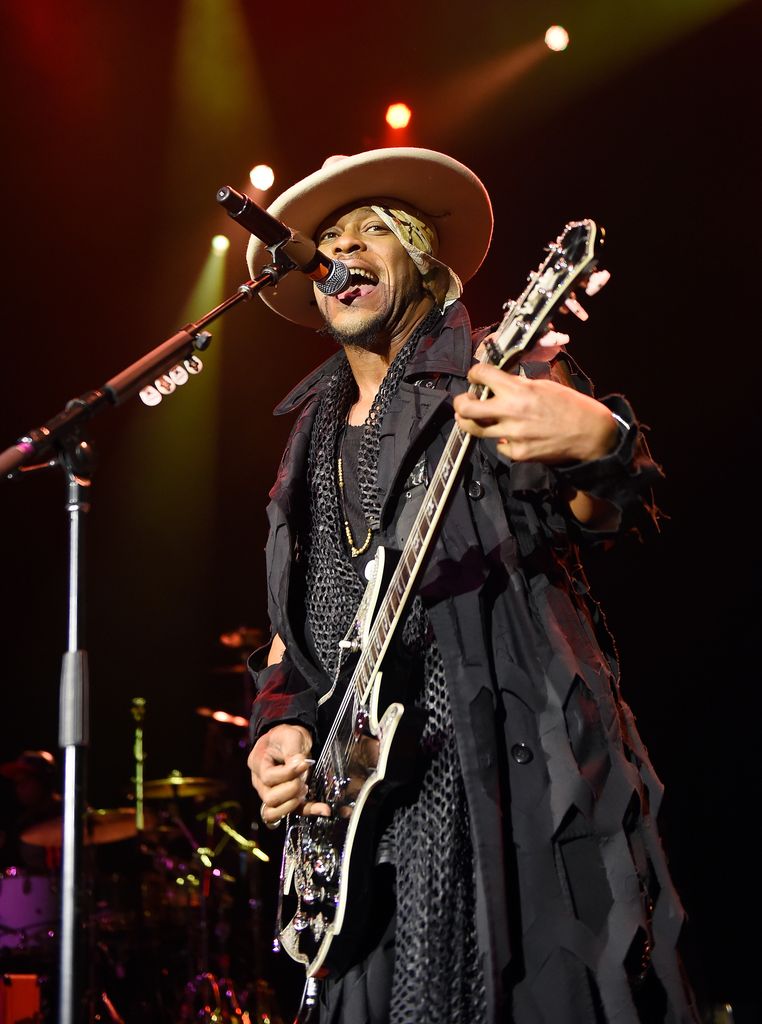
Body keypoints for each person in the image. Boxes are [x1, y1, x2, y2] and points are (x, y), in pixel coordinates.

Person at [245, 148, 698, 1024]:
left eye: (374, 229)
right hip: (362, 832)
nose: (344, 249)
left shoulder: (498, 370)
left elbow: (600, 512)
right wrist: (278, 729)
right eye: (329, 239)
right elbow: (291, 635)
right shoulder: (305, 445)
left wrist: (596, 437)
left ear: (425, 263)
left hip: (502, 778)